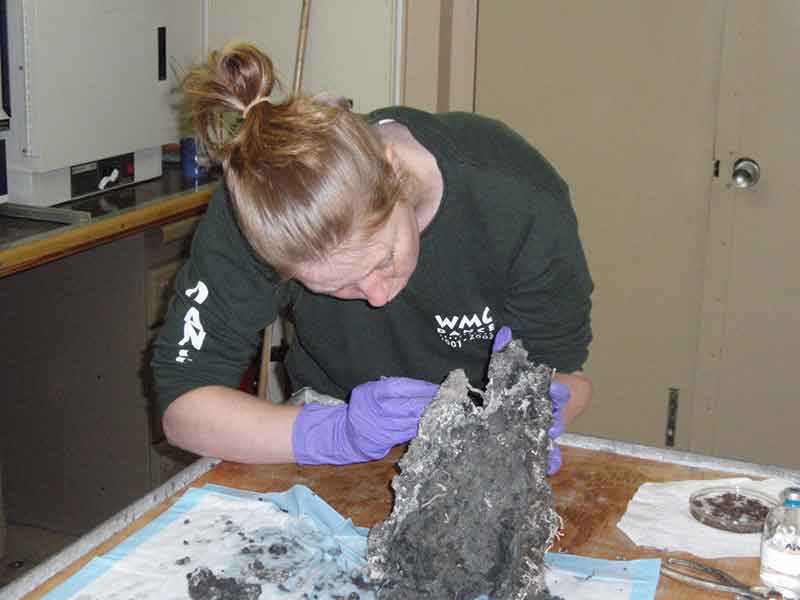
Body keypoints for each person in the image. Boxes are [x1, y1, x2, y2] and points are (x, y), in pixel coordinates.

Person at [151, 43, 593, 475]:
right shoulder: (257, 215)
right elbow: (183, 407)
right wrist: (333, 434)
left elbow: (565, 377)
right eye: (336, 286)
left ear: (393, 169)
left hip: (482, 422)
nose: (377, 297)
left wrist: (529, 417)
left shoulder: (515, 199)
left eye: (383, 261)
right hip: (331, 414)